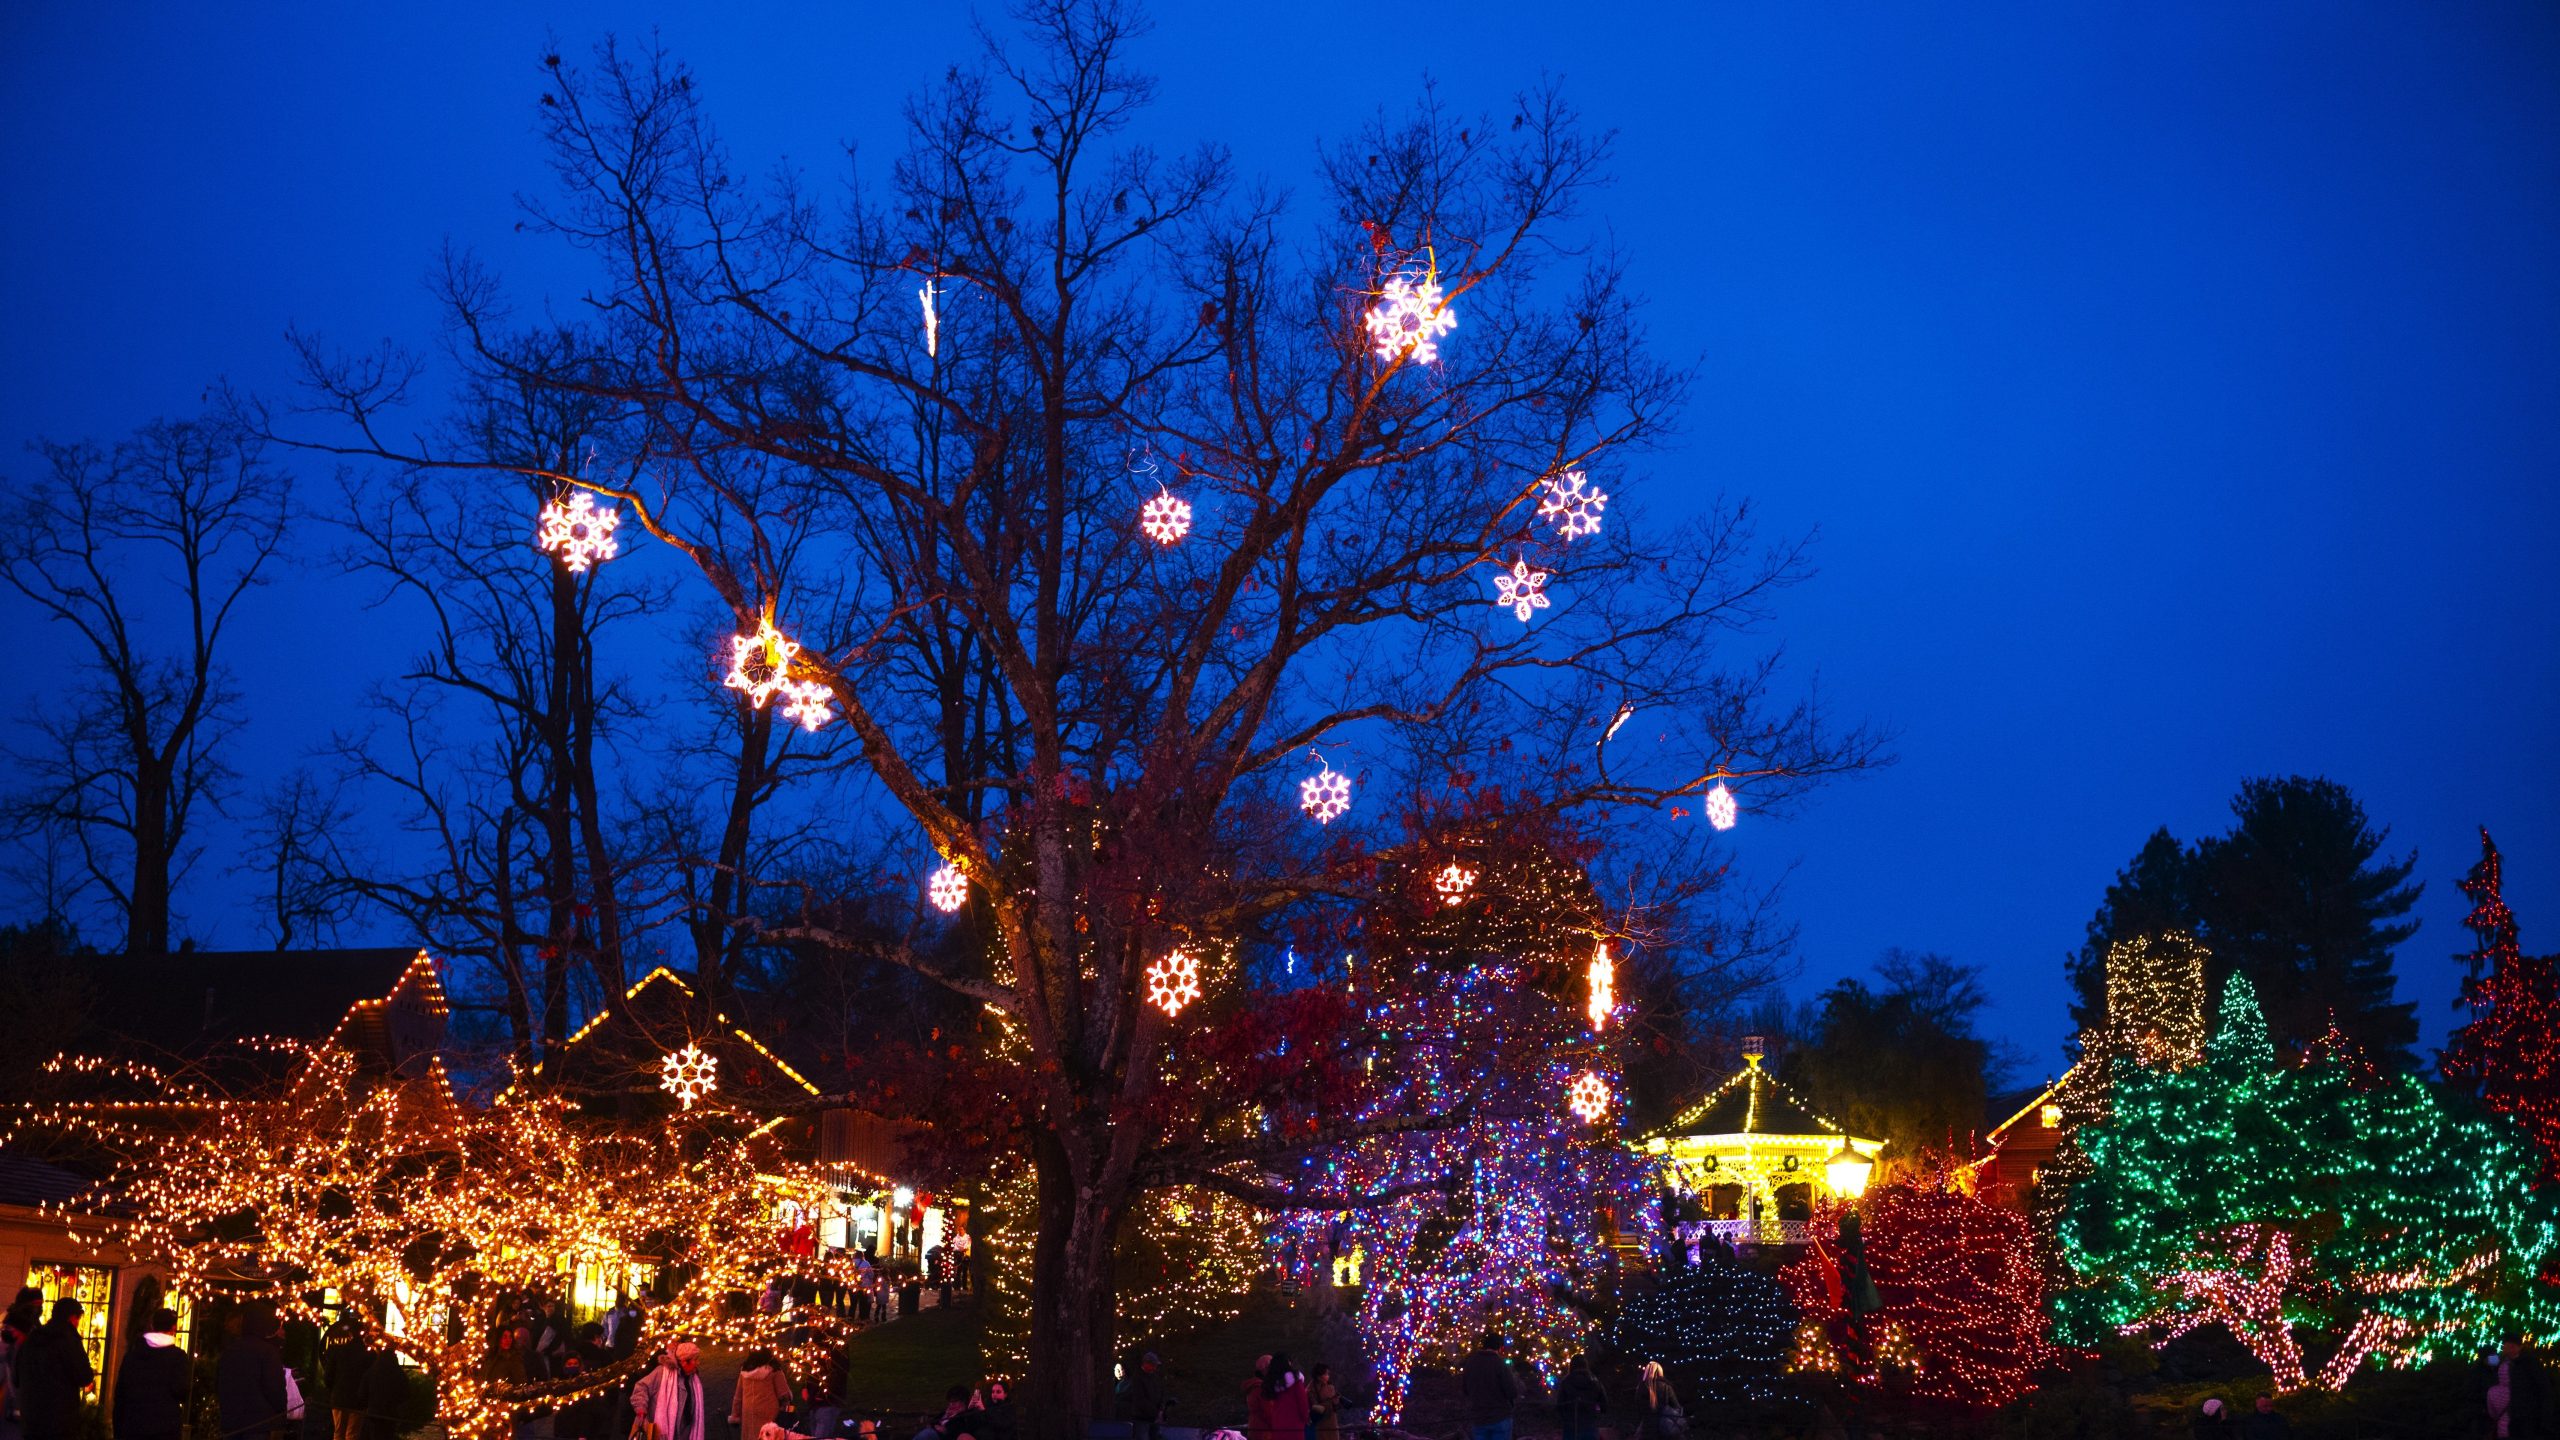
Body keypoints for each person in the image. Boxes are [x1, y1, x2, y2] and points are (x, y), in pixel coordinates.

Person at [14, 1297, 95, 1440]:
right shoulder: (68, 1339)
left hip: (31, 1417)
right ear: (72, 1317)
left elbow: (17, 1375)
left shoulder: (34, 1337)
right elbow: (84, 1376)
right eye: (78, 1318)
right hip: (59, 1420)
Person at [115, 1307, 193, 1440]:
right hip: (164, 1428)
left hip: (134, 1426)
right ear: (174, 1328)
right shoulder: (178, 1357)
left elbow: (121, 1393)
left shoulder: (133, 1355)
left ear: (152, 1325)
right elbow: (181, 1391)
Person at [219, 1303, 292, 1440]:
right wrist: (280, 1415)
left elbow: (221, 1384)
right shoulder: (267, 1352)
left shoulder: (230, 1351)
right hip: (258, 1423)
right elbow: (275, 1389)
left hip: (232, 1421)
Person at [631, 1343, 710, 1440]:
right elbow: (641, 1387)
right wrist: (641, 1408)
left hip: (685, 1431)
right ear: (685, 1362)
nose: (698, 1363)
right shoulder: (661, 1373)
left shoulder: (693, 1378)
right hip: (662, 1431)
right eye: (695, 1360)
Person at [1459, 1334, 1523, 1440]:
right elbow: (1511, 1391)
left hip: (1478, 1418)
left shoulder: (1471, 1362)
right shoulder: (1499, 1364)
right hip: (1500, 1417)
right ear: (1499, 1347)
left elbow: (1465, 1389)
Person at [321, 1319, 372, 1440]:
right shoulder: (368, 1354)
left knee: (338, 1431)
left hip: (339, 1397)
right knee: (352, 1433)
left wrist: (332, 1388)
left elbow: (328, 1376)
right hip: (358, 1400)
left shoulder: (338, 1351)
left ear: (350, 1334)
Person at [2494, 1335, 2551, 1440]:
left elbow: (2542, 1387)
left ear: (2514, 1347)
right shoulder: (2510, 1364)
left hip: (2528, 1415)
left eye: (2505, 1346)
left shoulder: (2528, 1363)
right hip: (2516, 1414)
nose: (2503, 1349)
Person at [731, 1349, 795, 1440]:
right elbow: (784, 1397)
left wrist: (735, 1415)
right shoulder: (774, 1370)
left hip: (749, 1417)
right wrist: (789, 1414)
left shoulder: (745, 1371)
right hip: (771, 1417)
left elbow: (738, 1396)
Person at [359, 1346, 411, 1440]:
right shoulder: (398, 1373)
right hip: (391, 1414)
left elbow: (362, 1393)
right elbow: (405, 1393)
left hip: (374, 1413)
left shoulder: (372, 1371)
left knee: (374, 1434)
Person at [1554, 1355, 1607, 1440]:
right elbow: (1604, 1406)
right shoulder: (1595, 1382)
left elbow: (1559, 1405)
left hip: (1570, 1428)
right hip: (1590, 1426)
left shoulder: (1566, 1382)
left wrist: (1565, 1419)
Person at [1260, 1354, 1309, 1440]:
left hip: (1278, 1422)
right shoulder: (1296, 1380)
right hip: (1294, 1423)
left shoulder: (1273, 1383)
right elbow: (1303, 1403)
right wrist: (1306, 1418)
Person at [1119, 1350, 1166, 1440]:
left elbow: (1160, 1393)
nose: (1155, 1367)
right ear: (1146, 1364)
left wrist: (1161, 1409)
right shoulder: (1137, 1378)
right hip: (1141, 1418)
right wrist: (1156, 1413)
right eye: (1153, 1365)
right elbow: (1140, 1400)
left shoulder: (1154, 1377)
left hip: (1153, 1417)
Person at [1637, 1362, 1683, 1440]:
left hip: (1647, 1426)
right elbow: (1676, 1406)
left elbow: (1637, 1405)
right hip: (1664, 1427)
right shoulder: (1666, 1387)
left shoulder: (1641, 1386)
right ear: (1660, 1372)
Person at [1306, 1364, 1341, 1440]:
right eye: (1325, 1374)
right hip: (1320, 1423)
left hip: (1332, 1423)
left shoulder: (1330, 1386)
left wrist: (1335, 1402)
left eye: (1328, 1374)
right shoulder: (1311, 1389)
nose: (1328, 1376)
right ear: (1319, 1376)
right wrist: (1330, 1402)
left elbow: (1335, 1407)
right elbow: (1315, 1407)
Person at [1242, 1356, 1272, 1440]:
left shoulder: (1253, 1386)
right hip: (1264, 1433)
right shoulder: (1261, 1388)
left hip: (1254, 1429)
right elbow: (1269, 1413)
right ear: (1266, 1370)